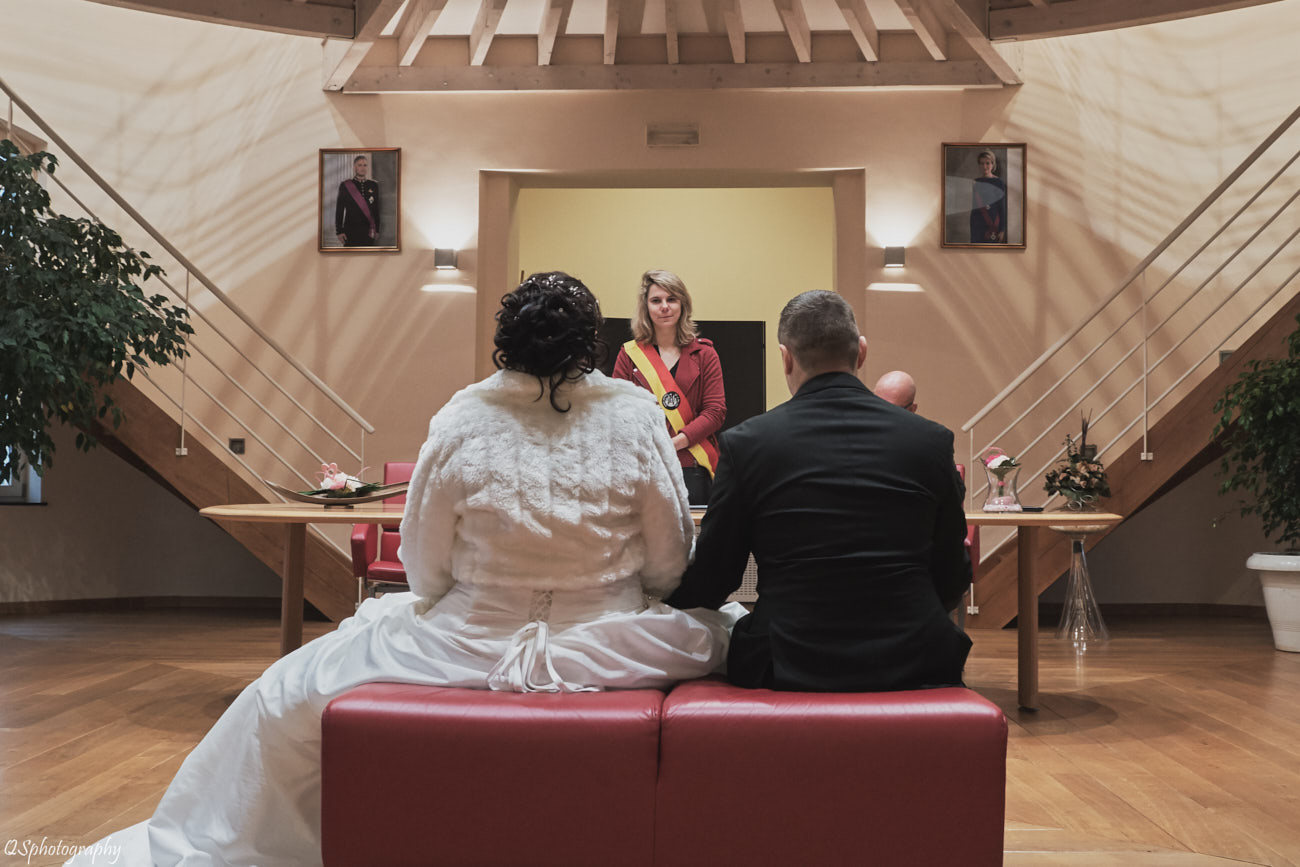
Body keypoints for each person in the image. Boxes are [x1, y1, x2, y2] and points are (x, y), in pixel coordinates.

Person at [69, 272, 738, 866]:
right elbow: (669, 560)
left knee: (279, 699)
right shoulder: (634, 415)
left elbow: (421, 567)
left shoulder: (463, 415)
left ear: (506, 339)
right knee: (738, 631)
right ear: (589, 342)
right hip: (613, 636)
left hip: (470, 638)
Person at [665, 290, 972, 693]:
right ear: (861, 352)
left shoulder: (748, 443)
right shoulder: (930, 441)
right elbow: (953, 573)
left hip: (787, 663)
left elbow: (715, 578)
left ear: (785, 357)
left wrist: (654, 599)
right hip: (916, 659)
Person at [612, 269, 726, 506]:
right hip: (644, 464)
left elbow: (715, 412)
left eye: (671, 299)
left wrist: (673, 444)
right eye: (656, 300)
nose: (664, 306)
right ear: (646, 307)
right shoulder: (629, 354)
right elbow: (618, 412)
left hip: (691, 465)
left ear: (683, 304)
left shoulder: (705, 354)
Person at [334, 154, 380, 247]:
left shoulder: (373, 185)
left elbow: (376, 209)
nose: (363, 168)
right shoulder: (345, 185)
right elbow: (340, 209)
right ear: (355, 167)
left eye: (365, 165)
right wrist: (339, 231)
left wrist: (377, 229)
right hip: (350, 230)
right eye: (360, 165)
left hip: (368, 230)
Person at [969, 149, 1007, 244]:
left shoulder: (998, 182)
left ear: (993, 164)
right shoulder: (975, 182)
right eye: (981, 163)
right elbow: (974, 207)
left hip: (992, 224)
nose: (984, 166)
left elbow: (1002, 207)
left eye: (987, 163)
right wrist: (973, 227)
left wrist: (1002, 230)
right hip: (977, 224)